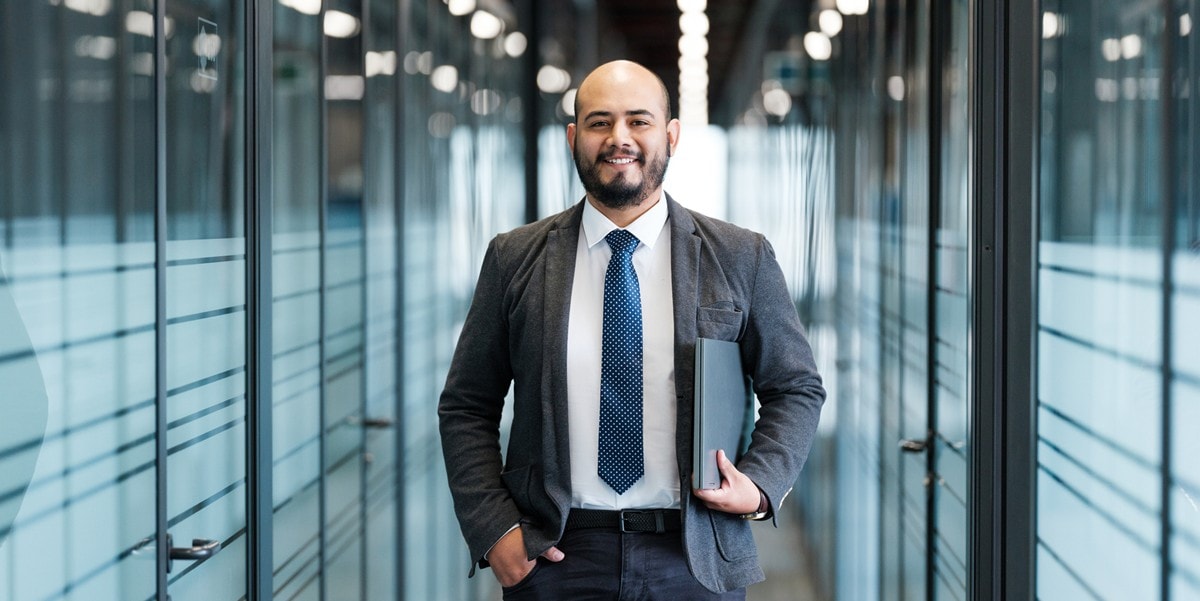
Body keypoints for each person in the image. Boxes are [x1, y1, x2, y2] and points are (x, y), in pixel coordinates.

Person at [438, 60, 825, 599]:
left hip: (694, 556)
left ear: (671, 136)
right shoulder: (514, 257)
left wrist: (760, 484)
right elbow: (466, 405)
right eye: (599, 123)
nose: (618, 138)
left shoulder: (740, 256)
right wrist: (493, 528)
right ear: (574, 138)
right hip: (555, 560)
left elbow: (795, 386)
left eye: (638, 121)